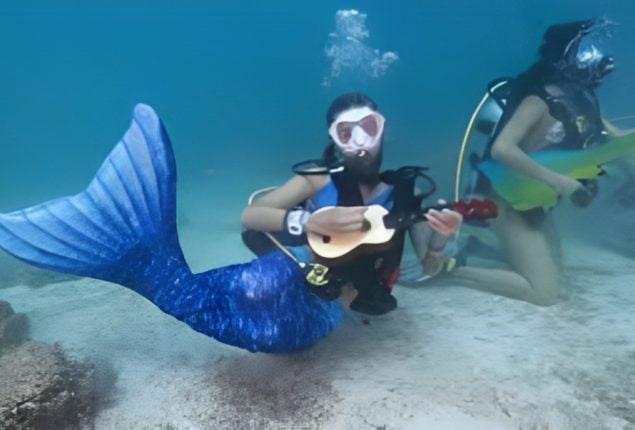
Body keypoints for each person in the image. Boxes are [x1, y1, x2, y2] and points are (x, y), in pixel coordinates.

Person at [445, 19, 629, 305]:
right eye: (586, 51)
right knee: (544, 293)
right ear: (567, 56)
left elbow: (617, 139)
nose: (594, 57)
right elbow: (502, 149)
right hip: (508, 203)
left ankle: (482, 248)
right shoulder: (539, 99)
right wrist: (559, 181)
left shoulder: (582, 99)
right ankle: (450, 268)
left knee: (560, 279)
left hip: (539, 203)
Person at [241, 92, 463, 315]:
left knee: (375, 304)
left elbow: (429, 268)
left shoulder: (405, 193)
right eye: (346, 132)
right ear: (334, 139)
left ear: (382, 129)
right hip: (312, 275)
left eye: (369, 127)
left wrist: (440, 240)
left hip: (362, 289)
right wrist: (308, 221)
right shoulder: (317, 179)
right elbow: (250, 216)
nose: (360, 141)